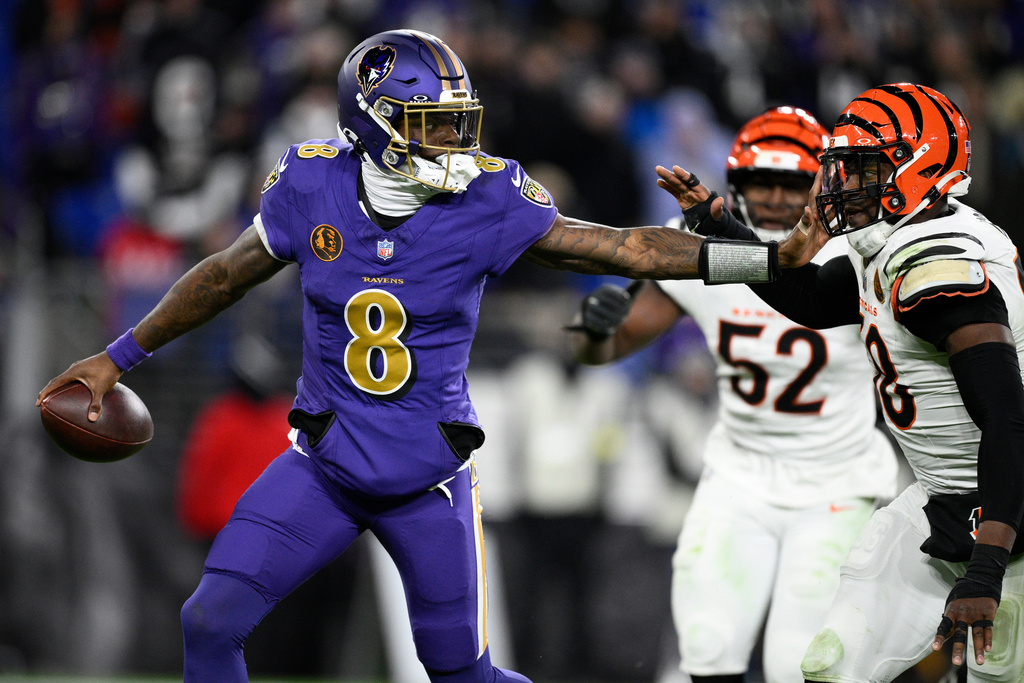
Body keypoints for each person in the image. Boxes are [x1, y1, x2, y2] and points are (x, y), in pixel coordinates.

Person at [35, 29, 779, 683]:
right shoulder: (311, 183)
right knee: (208, 619)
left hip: (428, 480)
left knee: (460, 671)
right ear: (373, 124)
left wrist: (765, 264)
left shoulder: (489, 198)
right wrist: (118, 355)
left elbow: (628, 245)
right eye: (432, 125)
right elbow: (225, 275)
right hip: (323, 469)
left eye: (459, 123)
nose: (455, 142)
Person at [657, 83, 1024, 683]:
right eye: (845, 169)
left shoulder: (940, 270)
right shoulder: (896, 237)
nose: (845, 186)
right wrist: (717, 225)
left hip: (1008, 518)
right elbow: (805, 298)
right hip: (938, 502)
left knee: (994, 675)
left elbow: (1009, 422)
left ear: (919, 167)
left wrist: (987, 565)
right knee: (830, 668)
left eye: (866, 169)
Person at [569, 106, 899, 683]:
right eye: (758, 181)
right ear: (734, 183)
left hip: (837, 484)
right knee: (707, 647)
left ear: (822, 183)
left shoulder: (859, 255)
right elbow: (606, 349)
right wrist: (593, 330)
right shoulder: (703, 254)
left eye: (789, 181)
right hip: (740, 476)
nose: (773, 197)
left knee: (801, 666)